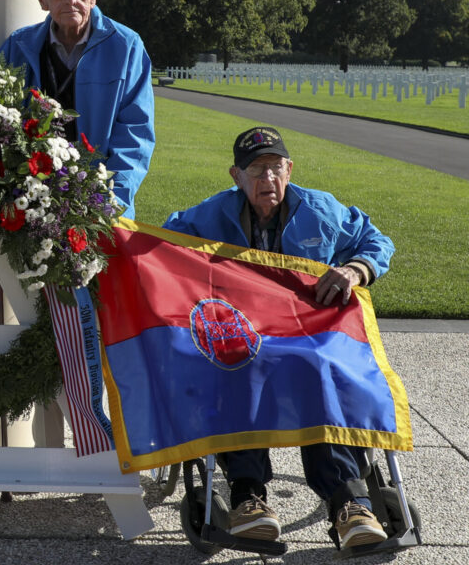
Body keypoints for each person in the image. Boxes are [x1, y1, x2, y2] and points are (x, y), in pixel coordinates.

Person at [161, 126, 396, 549]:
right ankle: (248, 495)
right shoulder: (212, 214)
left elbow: (375, 240)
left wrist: (356, 269)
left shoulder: (321, 209)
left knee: (322, 368)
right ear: (236, 176)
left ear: (290, 169)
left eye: (275, 168)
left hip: (307, 331)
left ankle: (349, 502)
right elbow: (162, 242)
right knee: (235, 364)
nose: (267, 179)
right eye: (256, 170)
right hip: (243, 333)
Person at [0, 0, 155, 220]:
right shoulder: (18, 46)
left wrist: (109, 202)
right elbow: (0, 123)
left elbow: (135, 135)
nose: (71, 0)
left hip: (101, 207)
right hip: (32, 204)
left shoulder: (127, 47)